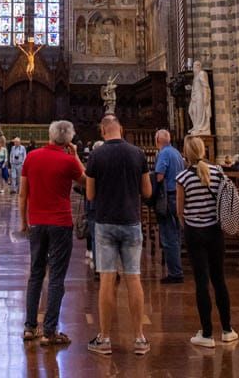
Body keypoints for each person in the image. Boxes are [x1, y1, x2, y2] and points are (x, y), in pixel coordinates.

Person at [85, 113, 152, 357]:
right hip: (131, 221)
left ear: (103, 132)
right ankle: (139, 338)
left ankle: (104, 339)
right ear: (121, 129)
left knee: (106, 280)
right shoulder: (138, 154)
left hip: (105, 223)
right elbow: (147, 191)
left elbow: (90, 195)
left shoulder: (96, 155)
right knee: (133, 278)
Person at [19, 120, 85, 346]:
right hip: (60, 223)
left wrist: (23, 222)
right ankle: (49, 331)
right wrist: (75, 155)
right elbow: (87, 182)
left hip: (36, 222)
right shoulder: (69, 161)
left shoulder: (32, 157)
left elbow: (22, 194)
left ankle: (29, 327)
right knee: (56, 276)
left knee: (35, 273)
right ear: (68, 140)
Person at [176, 135, 237, 349]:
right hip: (214, 231)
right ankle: (228, 330)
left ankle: (207, 334)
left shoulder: (182, 177)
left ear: (186, 152)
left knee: (201, 282)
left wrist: (189, 224)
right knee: (219, 279)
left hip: (194, 232)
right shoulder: (218, 173)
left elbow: (179, 210)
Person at [152, 128, 185, 284]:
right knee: (176, 235)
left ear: (157, 140)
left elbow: (159, 176)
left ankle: (175, 272)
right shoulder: (177, 153)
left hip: (168, 197)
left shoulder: (164, 153)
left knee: (168, 236)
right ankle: (177, 268)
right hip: (177, 197)